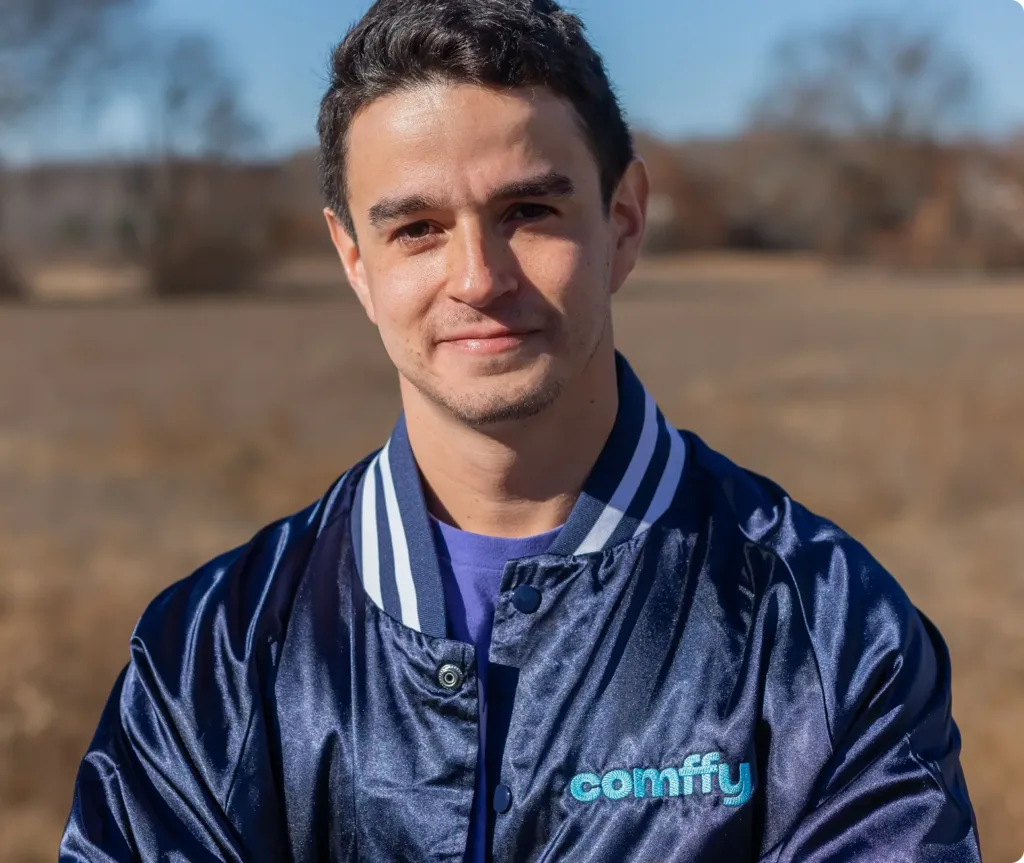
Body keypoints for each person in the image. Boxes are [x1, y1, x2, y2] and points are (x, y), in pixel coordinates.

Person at [60, 0, 981, 860]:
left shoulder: (826, 630)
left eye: (528, 212)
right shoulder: (213, 654)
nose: (477, 277)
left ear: (623, 222)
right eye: (417, 228)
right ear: (354, 260)